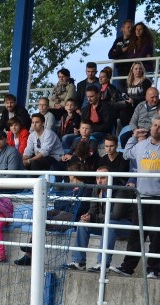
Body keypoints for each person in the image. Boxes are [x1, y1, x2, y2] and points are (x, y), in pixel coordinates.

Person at [110, 116, 160, 277]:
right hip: (142, 197)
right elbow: (126, 154)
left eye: (159, 126)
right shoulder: (141, 145)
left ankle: (154, 269)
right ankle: (127, 268)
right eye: (154, 125)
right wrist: (133, 136)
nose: (156, 128)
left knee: (156, 235)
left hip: (157, 198)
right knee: (135, 236)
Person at [67, 167, 133, 271]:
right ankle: (79, 261)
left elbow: (116, 215)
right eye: (97, 178)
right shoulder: (96, 189)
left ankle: (103, 264)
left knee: (110, 225)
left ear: (111, 178)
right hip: (106, 222)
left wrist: (93, 217)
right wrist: (88, 216)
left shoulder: (121, 190)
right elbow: (93, 210)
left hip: (126, 225)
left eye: (103, 178)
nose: (99, 181)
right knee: (83, 223)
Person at [108, 19, 135, 88]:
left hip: (132, 70)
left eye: (132, 28)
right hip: (120, 70)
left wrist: (116, 52)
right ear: (122, 28)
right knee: (123, 91)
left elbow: (131, 53)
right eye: (128, 27)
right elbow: (110, 55)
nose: (130, 29)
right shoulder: (118, 40)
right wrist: (121, 50)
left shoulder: (135, 40)